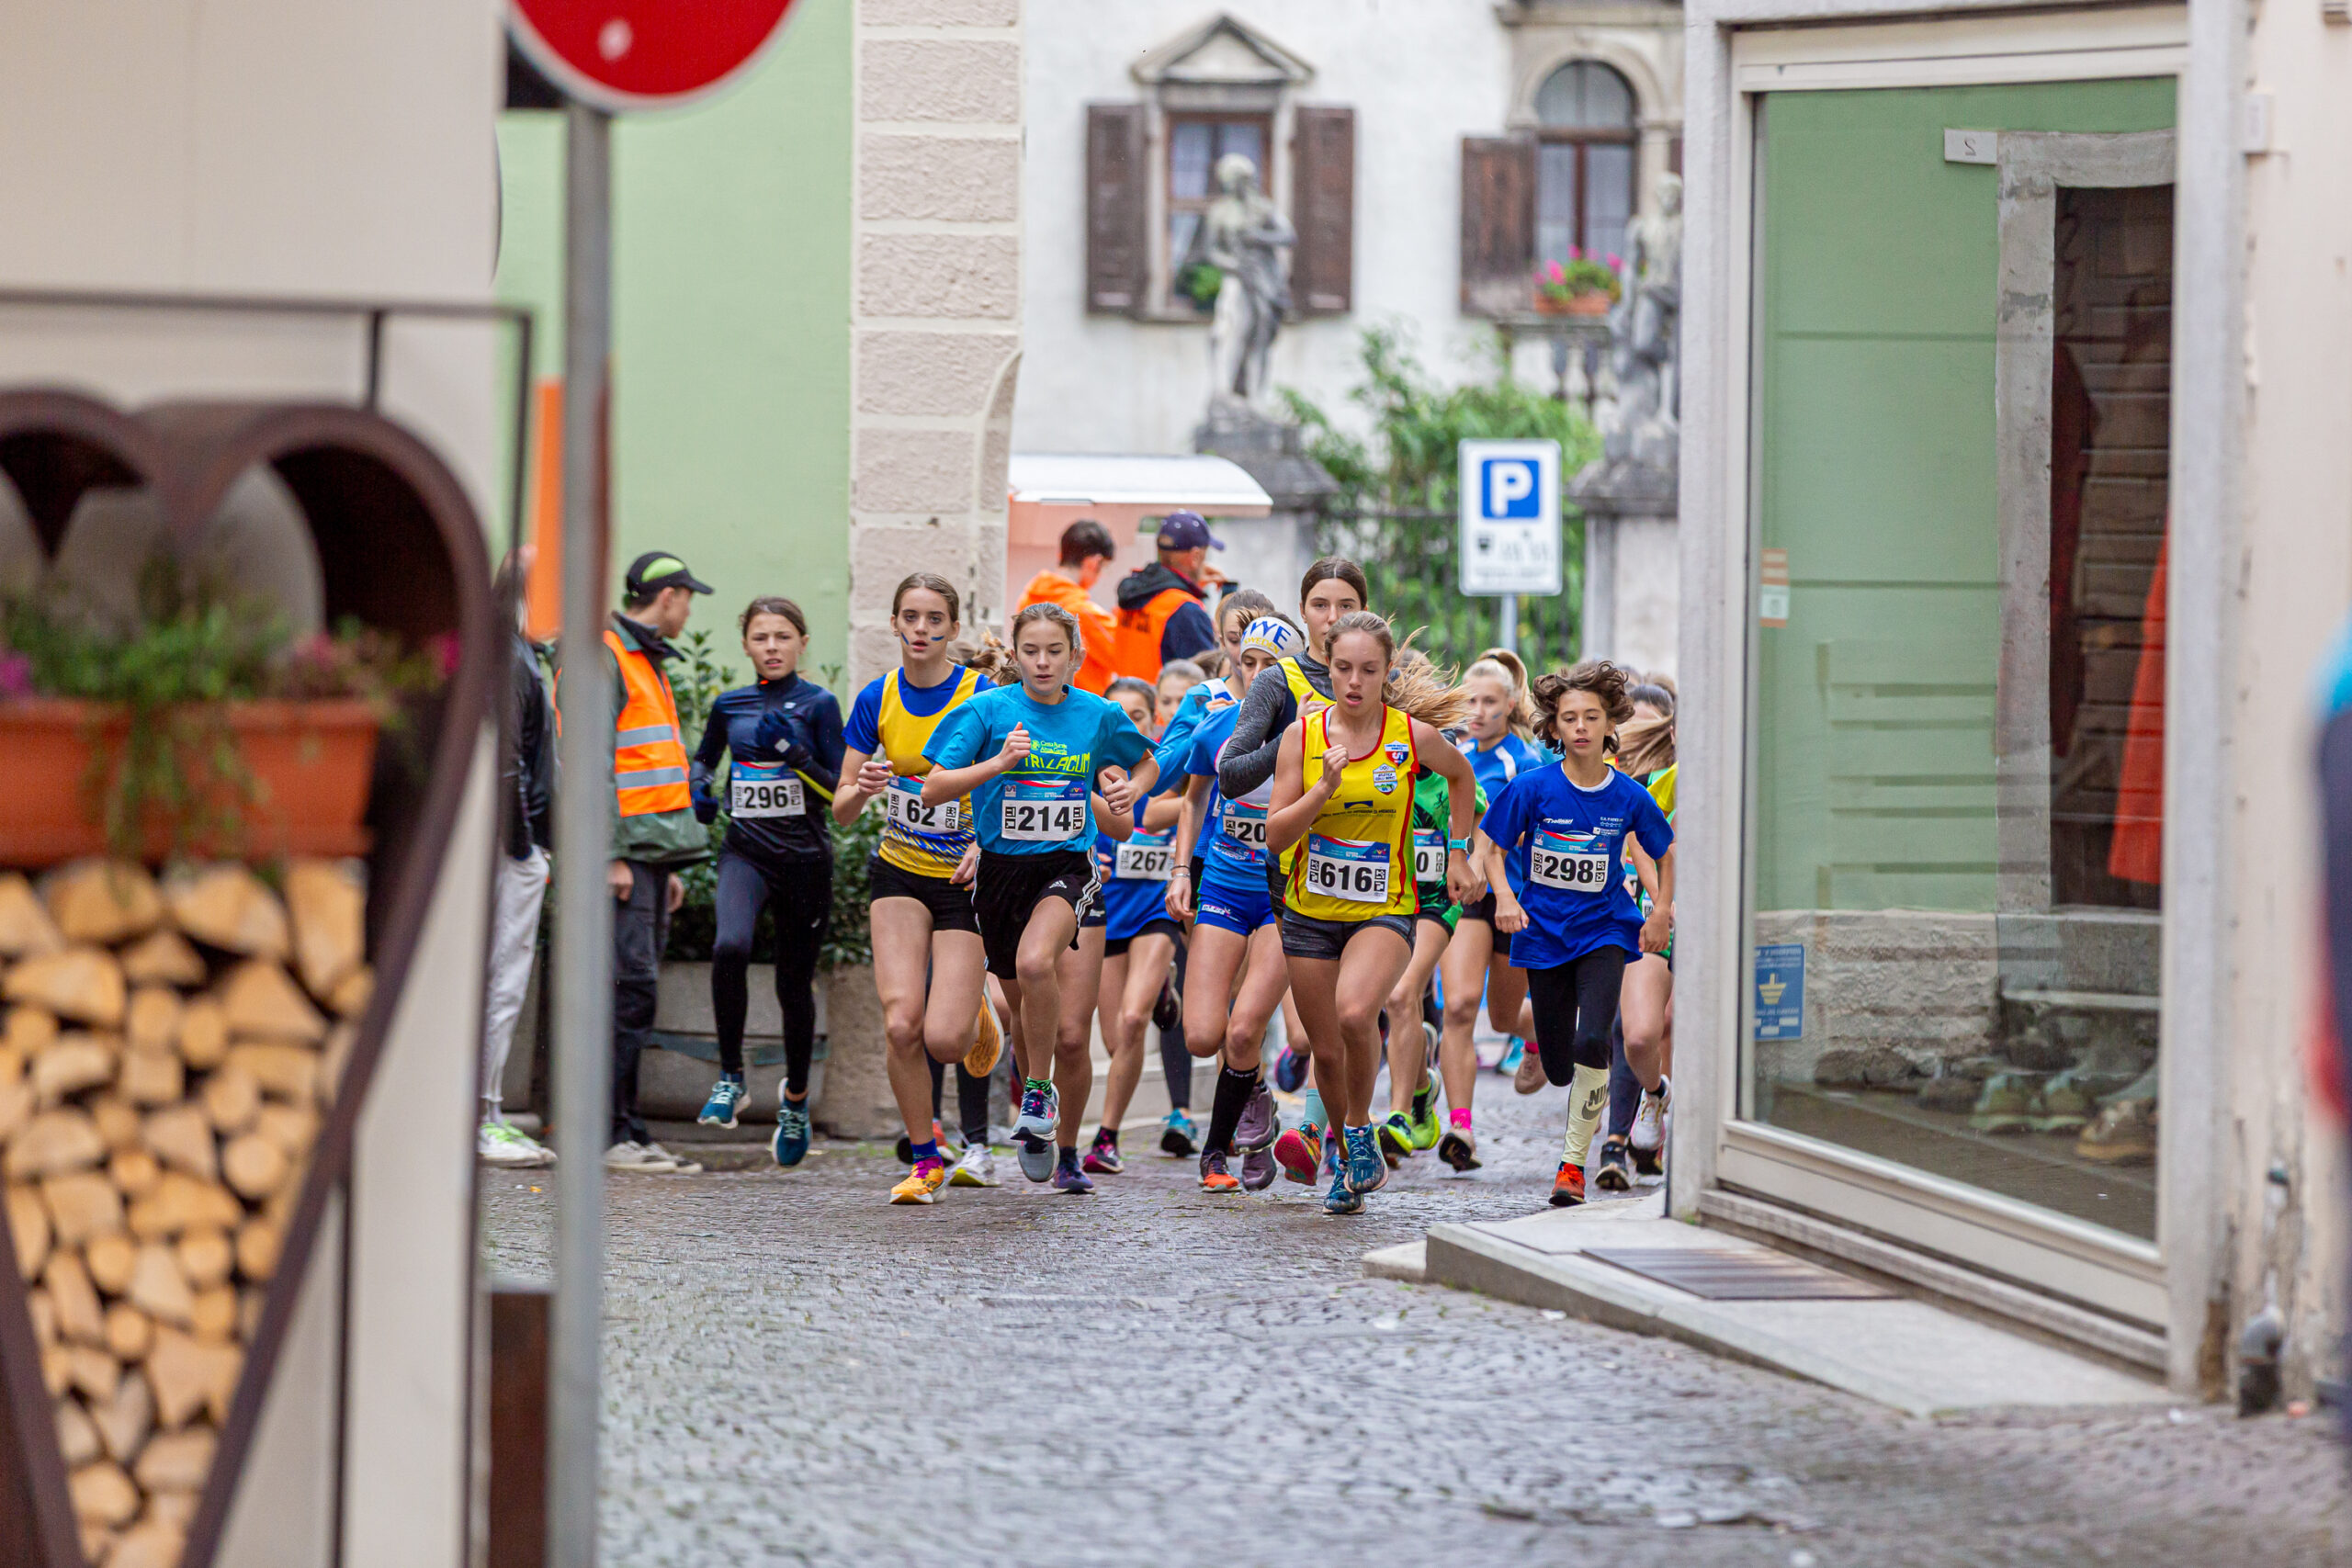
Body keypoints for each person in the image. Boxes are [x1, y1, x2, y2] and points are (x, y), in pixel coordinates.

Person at [922, 603, 1155, 1192]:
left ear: (1075, 656)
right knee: (1024, 1014)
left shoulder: (1098, 715)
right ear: (1016, 656)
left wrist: (1128, 789)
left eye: (1056, 651)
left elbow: (1147, 764)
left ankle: (1043, 1099)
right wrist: (998, 763)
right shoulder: (986, 711)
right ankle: (1042, 1116)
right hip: (1000, 874)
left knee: (1038, 968)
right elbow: (932, 788)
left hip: (1066, 868)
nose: (1043, 661)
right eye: (1032, 650)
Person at [1265, 612, 1482, 1214]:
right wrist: (1321, 790)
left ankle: (1357, 1126)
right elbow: (1275, 838)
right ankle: (1347, 1152)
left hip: (1385, 907)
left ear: (1387, 673)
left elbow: (1462, 780)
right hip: (1308, 913)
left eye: (1368, 670)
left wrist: (1459, 851)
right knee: (1324, 1048)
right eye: (1342, 668)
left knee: (1357, 1012)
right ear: (1327, 666)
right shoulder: (1302, 739)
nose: (1354, 681)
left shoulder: (1410, 736)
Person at [834, 572, 1006, 1204]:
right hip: (898, 871)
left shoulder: (981, 695)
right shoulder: (876, 698)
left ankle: (976, 1013)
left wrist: (983, 844)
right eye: (911, 616)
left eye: (935, 618)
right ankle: (926, 1157)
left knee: (943, 1037)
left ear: (953, 629)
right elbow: (843, 809)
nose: (922, 629)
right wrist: (865, 785)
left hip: (962, 881)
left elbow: (1010, 786)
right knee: (902, 1022)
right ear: (895, 623)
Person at [1482, 660, 1674, 1207]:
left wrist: (1659, 909)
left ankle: (1571, 1167)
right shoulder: (1532, 788)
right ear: (1555, 727)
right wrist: (1505, 897)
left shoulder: (1629, 797)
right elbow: (1493, 849)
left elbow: (1665, 850)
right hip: (1542, 935)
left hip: (1605, 931)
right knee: (1564, 1065)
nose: (1582, 727)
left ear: (1610, 722)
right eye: (1570, 718)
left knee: (1595, 1041)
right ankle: (1549, 1052)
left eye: (1592, 716)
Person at [687, 596, 845, 1167]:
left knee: (792, 983)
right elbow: (704, 759)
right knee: (729, 946)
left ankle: (796, 1100)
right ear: (746, 645)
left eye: (783, 636)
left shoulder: (821, 705)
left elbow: (839, 792)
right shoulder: (730, 704)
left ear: (803, 643)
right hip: (745, 854)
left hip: (804, 860)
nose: (772, 647)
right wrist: (701, 788)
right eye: (761, 637)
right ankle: (731, 1076)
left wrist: (798, 755)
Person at [1168, 614, 1304, 1191]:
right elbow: (1191, 801)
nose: (1254, 675)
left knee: (1245, 1030)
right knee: (1203, 1035)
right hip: (1222, 884)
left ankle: (1215, 1152)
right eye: (1246, 663)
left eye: (1269, 666)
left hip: (1282, 896)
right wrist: (1180, 870)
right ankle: (1257, 1098)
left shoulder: (1314, 733)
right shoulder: (1216, 726)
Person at [591, 551, 715, 1174]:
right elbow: (584, 760)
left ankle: (627, 1129)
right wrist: (609, 853)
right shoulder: (608, 655)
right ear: (667, 596)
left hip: (649, 857)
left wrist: (670, 865)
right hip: (623, 858)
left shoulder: (644, 659)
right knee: (626, 989)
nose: (689, 610)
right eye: (687, 597)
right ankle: (610, 1134)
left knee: (636, 991)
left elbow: (651, 771)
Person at [1378, 650, 1489, 1163]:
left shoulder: (1448, 774)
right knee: (1379, 1006)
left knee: (1403, 995)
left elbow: (1482, 817)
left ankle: (1402, 1115)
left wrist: (1468, 860)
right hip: (1376, 900)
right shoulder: (1372, 766)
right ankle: (1422, 1091)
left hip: (1431, 905)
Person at [1082, 677, 1188, 1173]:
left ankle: (1107, 1137)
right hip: (1105, 914)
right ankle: (1164, 995)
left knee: (1130, 1021)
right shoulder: (1085, 772)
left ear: (1153, 721)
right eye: (1118, 714)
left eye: (1139, 715)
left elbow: (1198, 811)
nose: (1129, 723)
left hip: (1154, 912)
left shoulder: (1164, 775)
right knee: (1113, 1039)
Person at [480, 557, 557, 1168]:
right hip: (509, 845)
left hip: (507, 839)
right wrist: (523, 843)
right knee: (501, 976)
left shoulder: (512, 648)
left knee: (498, 976)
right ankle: (482, 1115)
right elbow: (508, 756)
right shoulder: (510, 652)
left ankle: (485, 1112)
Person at [1594, 705, 1677, 1191]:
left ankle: (1625, 1142)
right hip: (1664, 919)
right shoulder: (1664, 784)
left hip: (1729, 928)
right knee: (1638, 1033)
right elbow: (1643, 839)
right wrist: (1660, 903)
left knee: (1676, 1028)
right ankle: (1653, 1094)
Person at [1112, 511, 1222, 682]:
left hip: (1125, 702)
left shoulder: (1136, 592)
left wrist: (1193, 586)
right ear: (1195, 557)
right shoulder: (1187, 611)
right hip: (1163, 707)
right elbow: (1207, 679)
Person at [1017, 518, 1121, 695]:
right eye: (1103, 568)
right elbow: (1124, 656)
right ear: (1094, 563)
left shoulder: (1028, 599)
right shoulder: (1082, 612)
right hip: (1080, 708)